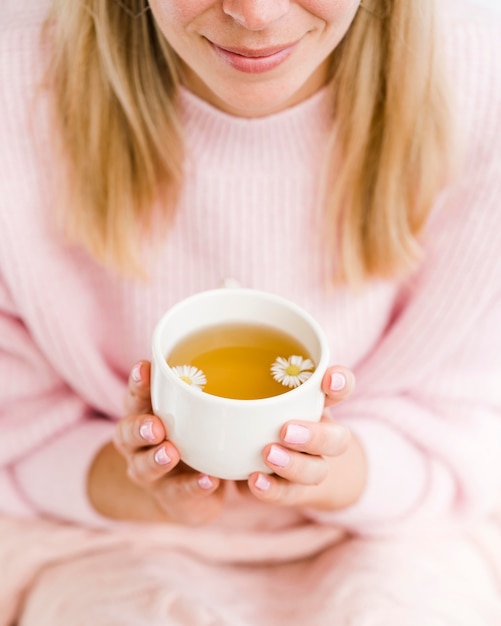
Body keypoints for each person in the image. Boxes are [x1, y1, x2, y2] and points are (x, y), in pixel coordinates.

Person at [1, 0, 501, 624]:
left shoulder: (479, 84)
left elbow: (474, 435)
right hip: (95, 533)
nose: (257, 15)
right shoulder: (16, 91)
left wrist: (334, 473)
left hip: (397, 527)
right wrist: (145, 487)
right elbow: (12, 438)